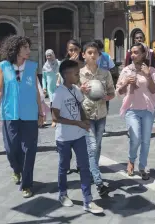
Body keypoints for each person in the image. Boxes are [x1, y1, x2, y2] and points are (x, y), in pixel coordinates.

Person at [0, 35, 43, 198]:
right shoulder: (3, 66)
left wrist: (41, 112)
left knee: (29, 150)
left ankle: (27, 184)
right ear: (16, 49)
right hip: (10, 113)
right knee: (11, 148)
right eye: (25, 48)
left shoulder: (32, 66)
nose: (29, 51)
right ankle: (16, 169)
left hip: (29, 114)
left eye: (29, 47)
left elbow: (36, 90)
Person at [51, 59, 104, 213]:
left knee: (84, 167)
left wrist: (84, 119)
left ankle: (88, 200)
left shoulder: (75, 89)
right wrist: (77, 123)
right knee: (64, 167)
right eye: (75, 73)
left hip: (79, 136)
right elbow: (55, 118)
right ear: (66, 75)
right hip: (64, 138)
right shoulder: (58, 93)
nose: (78, 76)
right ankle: (62, 194)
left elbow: (80, 106)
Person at [116, 43, 155, 180]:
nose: (133, 55)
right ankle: (131, 160)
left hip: (148, 109)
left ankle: (142, 166)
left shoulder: (151, 70)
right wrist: (125, 84)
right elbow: (119, 91)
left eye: (136, 52)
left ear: (143, 54)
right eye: (132, 52)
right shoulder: (126, 70)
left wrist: (148, 76)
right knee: (135, 137)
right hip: (132, 109)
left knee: (146, 140)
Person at [79, 42, 115, 166]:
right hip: (85, 114)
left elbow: (112, 92)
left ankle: (94, 167)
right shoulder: (79, 74)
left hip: (101, 114)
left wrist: (107, 97)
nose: (93, 55)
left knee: (98, 144)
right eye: (89, 53)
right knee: (92, 145)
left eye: (95, 53)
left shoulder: (105, 73)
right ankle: (93, 172)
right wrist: (80, 90)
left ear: (99, 55)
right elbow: (72, 94)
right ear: (83, 55)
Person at [94, 39, 116, 137]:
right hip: (93, 86)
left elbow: (112, 69)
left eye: (99, 49)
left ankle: (101, 129)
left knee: (104, 108)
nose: (97, 51)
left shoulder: (106, 57)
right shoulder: (91, 56)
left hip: (104, 88)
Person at [42, 49, 60, 127]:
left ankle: (61, 119)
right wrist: (44, 87)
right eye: (47, 55)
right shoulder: (45, 66)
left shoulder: (59, 63)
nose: (49, 57)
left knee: (60, 103)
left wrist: (59, 81)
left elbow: (62, 73)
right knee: (52, 103)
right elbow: (44, 78)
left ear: (53, 54)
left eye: (50, 55)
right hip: (50, 88)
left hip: (59, 86)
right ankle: (54, 120)